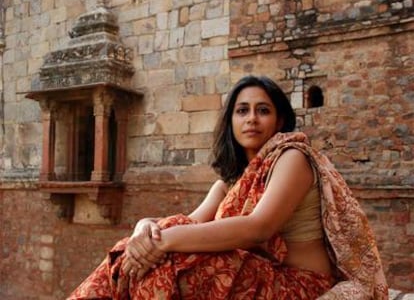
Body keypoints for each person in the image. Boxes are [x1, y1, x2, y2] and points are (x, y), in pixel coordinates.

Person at [68, 75, 388, 299]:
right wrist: (142, 231)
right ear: (231, 122)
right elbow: (189, 222)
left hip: (300, 287)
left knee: (170, 259)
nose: (251, 118)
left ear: (278, 122)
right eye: (242, 110)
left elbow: (258, 228)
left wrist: (162, 241)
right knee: (131, 255)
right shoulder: (229, 184)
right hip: (258, 280)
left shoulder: (292, 158)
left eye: (263, 110)